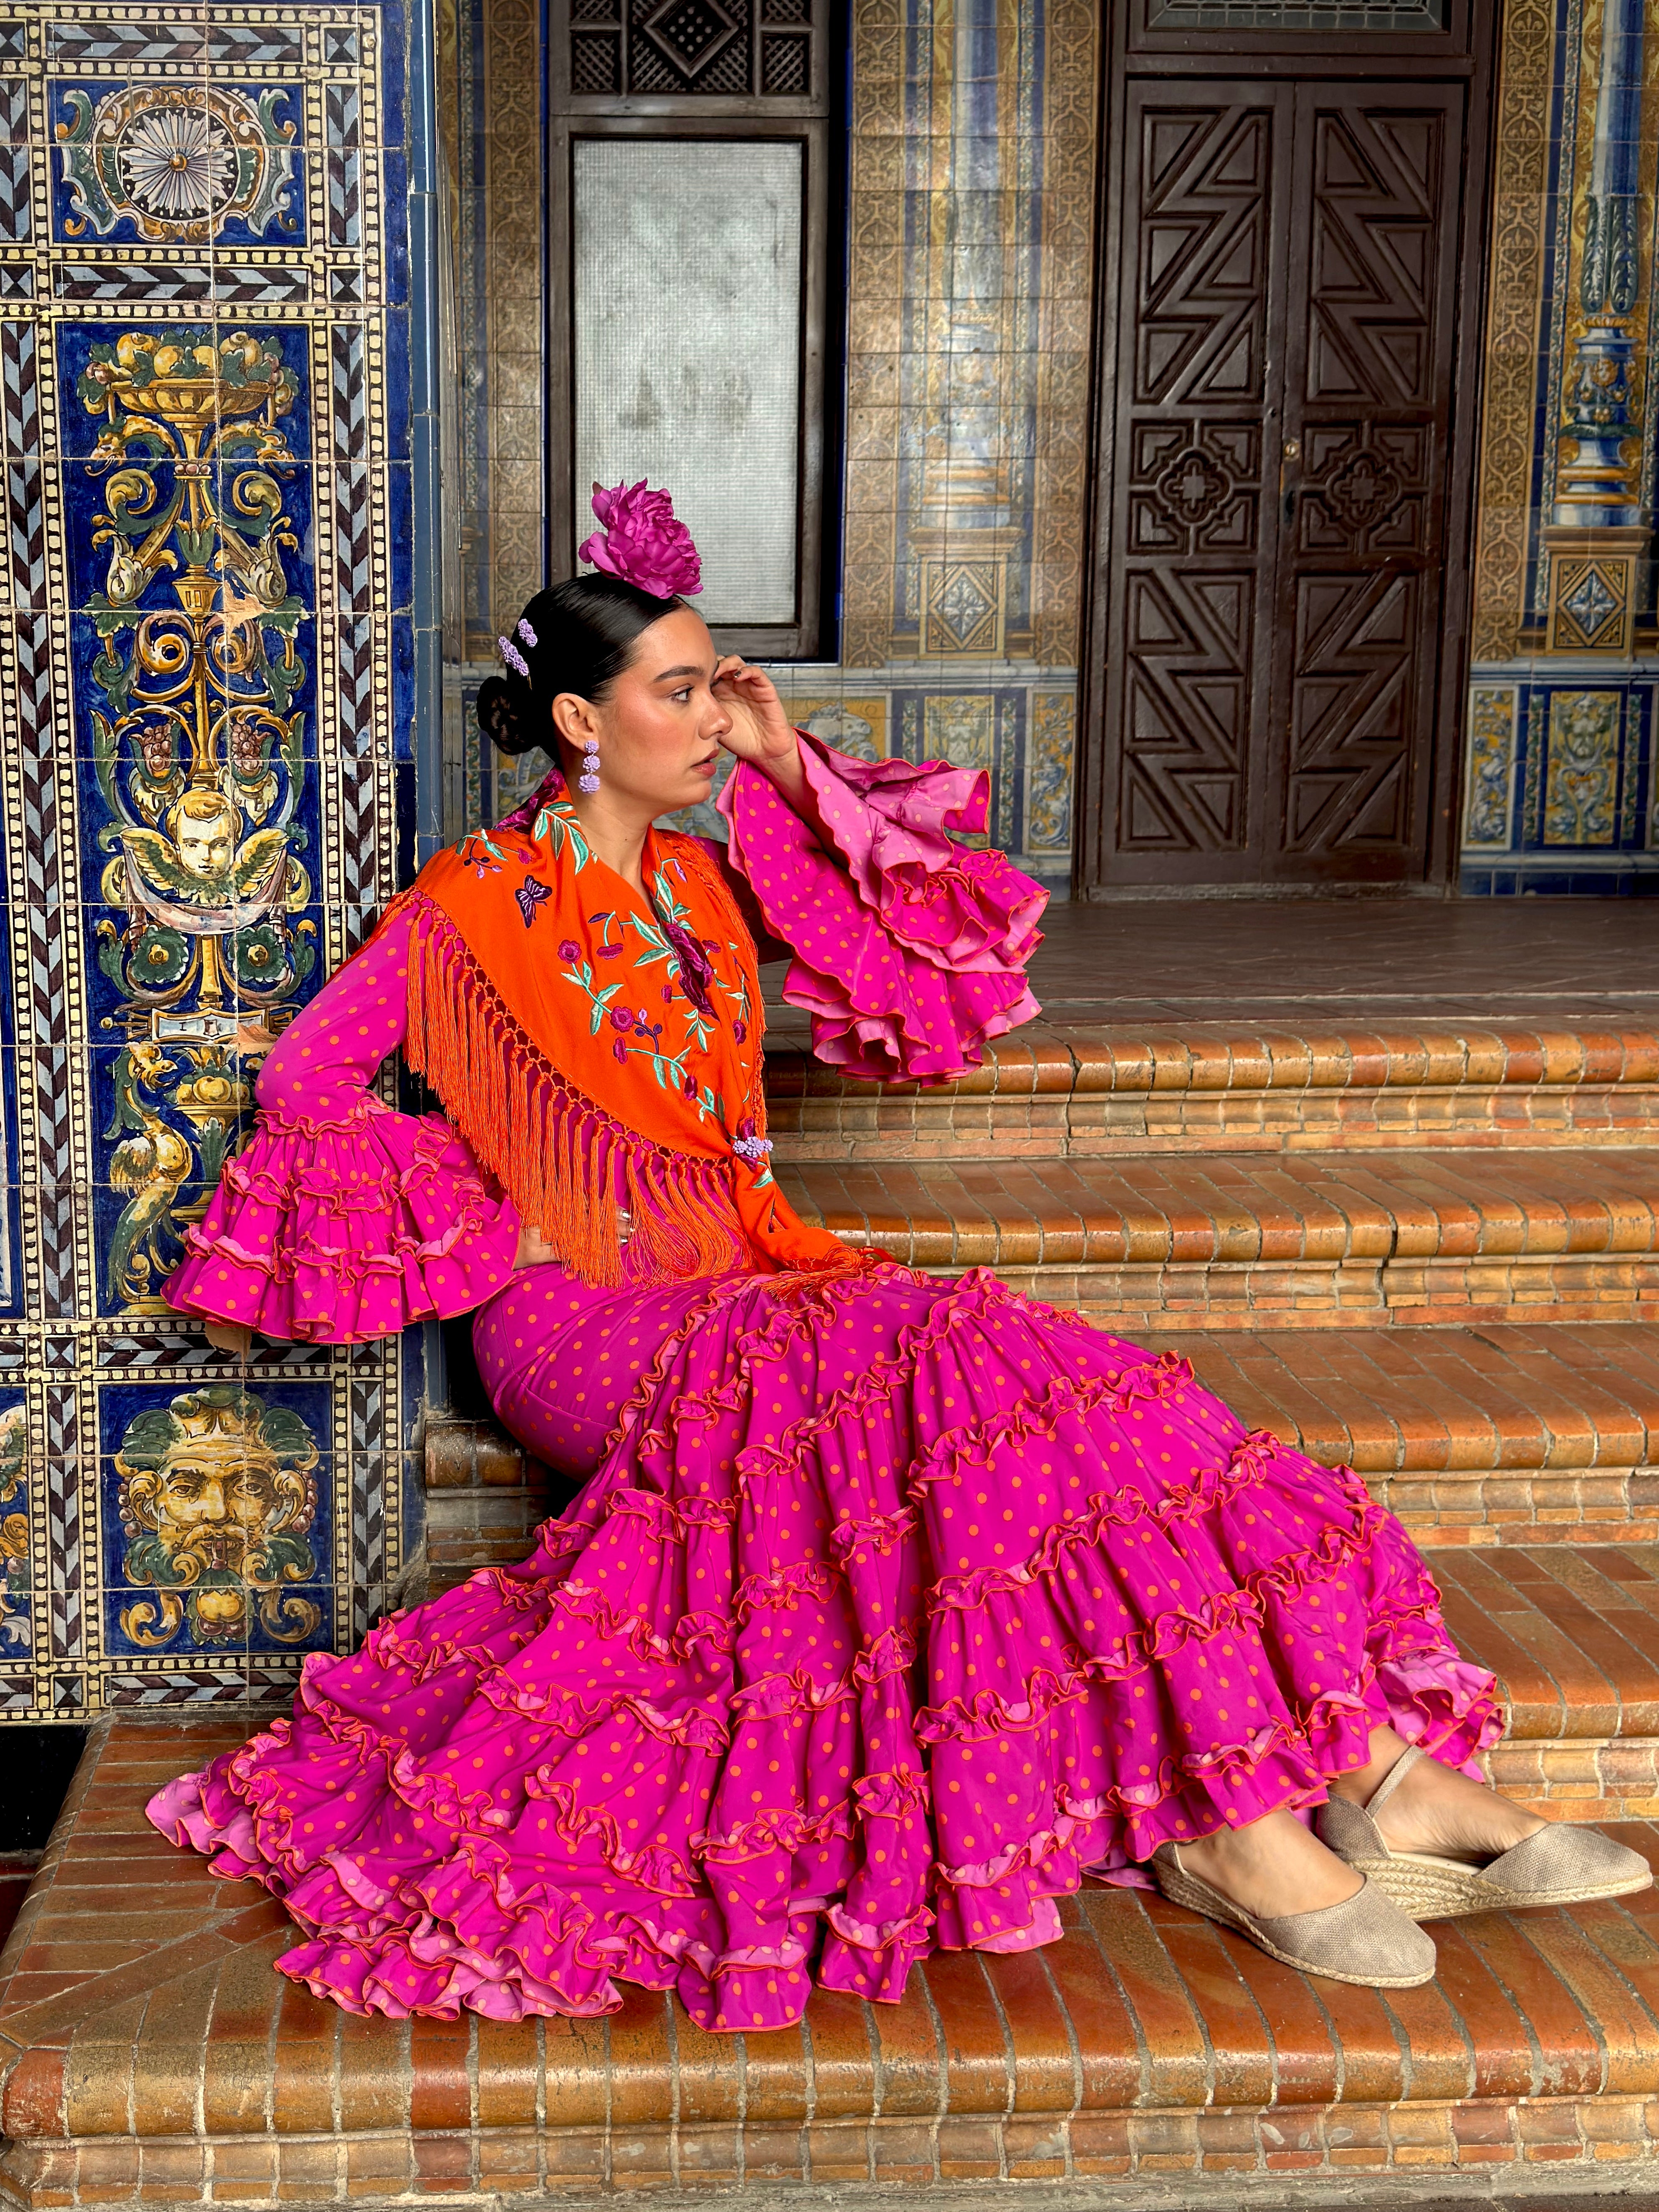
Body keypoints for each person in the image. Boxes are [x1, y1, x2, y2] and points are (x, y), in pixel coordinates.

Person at [147, 482, 1650, 2030]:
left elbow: (923, 947)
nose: (711, 716)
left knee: (1059, 1385)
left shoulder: (702, 885)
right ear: (583, 723)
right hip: (582, 1323)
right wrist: (499, 1210)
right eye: (683, 691)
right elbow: (306, 1082)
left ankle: (1374, 1773)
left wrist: (782, 757)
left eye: (719, 685)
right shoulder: (474, 903)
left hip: (757, 1272)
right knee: (938, 1362)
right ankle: (1235, 1828)